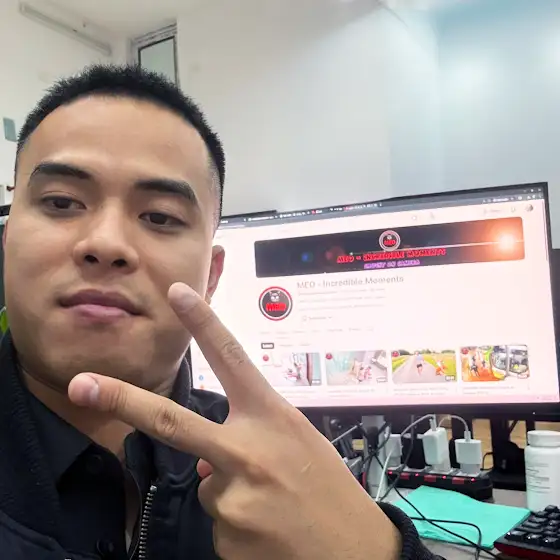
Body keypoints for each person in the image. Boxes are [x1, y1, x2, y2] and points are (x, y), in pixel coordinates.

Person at [0, 64, 442, 560]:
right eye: (61, 202)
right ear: (7, 240)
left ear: (211, 277)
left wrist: (375, 550)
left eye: (159, 216)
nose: (105, 243)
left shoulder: (276, 465)